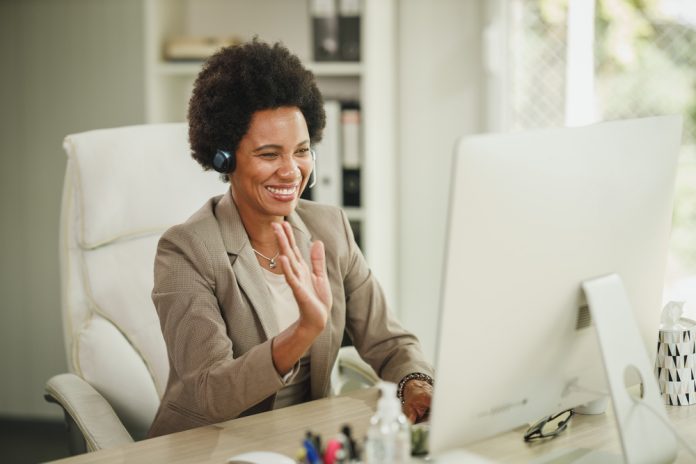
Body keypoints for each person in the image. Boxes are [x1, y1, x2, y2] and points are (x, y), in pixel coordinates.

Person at [147, 39, 433, 438]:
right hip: (212, 446)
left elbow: (389, 341)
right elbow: (210, 393)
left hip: (305, 441)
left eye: (301, 151)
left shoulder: (330, 229)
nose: (291, 171)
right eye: (268, 155)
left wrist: (415, 383)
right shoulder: (186, 251)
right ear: (224, 159)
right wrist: (302, 332)